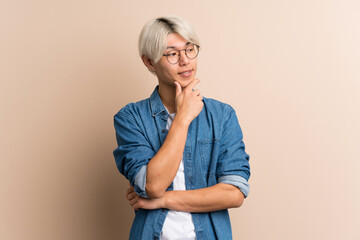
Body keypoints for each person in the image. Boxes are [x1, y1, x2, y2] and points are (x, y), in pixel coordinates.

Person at [113, 15, 251, 240]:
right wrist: (182, 119)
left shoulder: (222, 116)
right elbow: (153, 185)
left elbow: (234, 193)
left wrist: (163, 200)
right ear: (149, 62)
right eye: (172, 54)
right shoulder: (131, 118)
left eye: (189, 49)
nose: (185, 60)